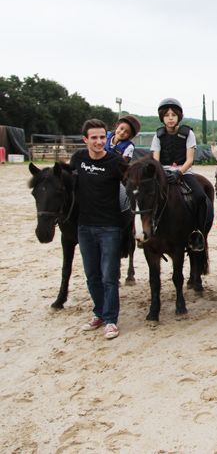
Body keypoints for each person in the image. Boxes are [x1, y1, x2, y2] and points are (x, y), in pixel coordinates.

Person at [71, 119, 126, 340]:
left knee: (108, 276)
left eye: (102, 137)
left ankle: (111, 320)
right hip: (84, 226)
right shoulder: (78, 159)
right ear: (85, 140)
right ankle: (99, 313)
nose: (99, 141)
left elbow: (132, 182)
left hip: (110, 227)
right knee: (91, 275)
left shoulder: (115, 161)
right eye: (94, 137)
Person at [150, 98, 211, 252]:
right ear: (162, 117)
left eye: (173, 114)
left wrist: (178, 173)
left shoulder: (188, 133)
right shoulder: (158, 135)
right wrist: (162, 173)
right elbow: (155, 160)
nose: (170, 118)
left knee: (200, 197)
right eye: (166, 115)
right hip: (163, 172)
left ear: (179, 116)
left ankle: (198, 232)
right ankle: (148, 230)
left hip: (184, 172)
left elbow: (190, 159)